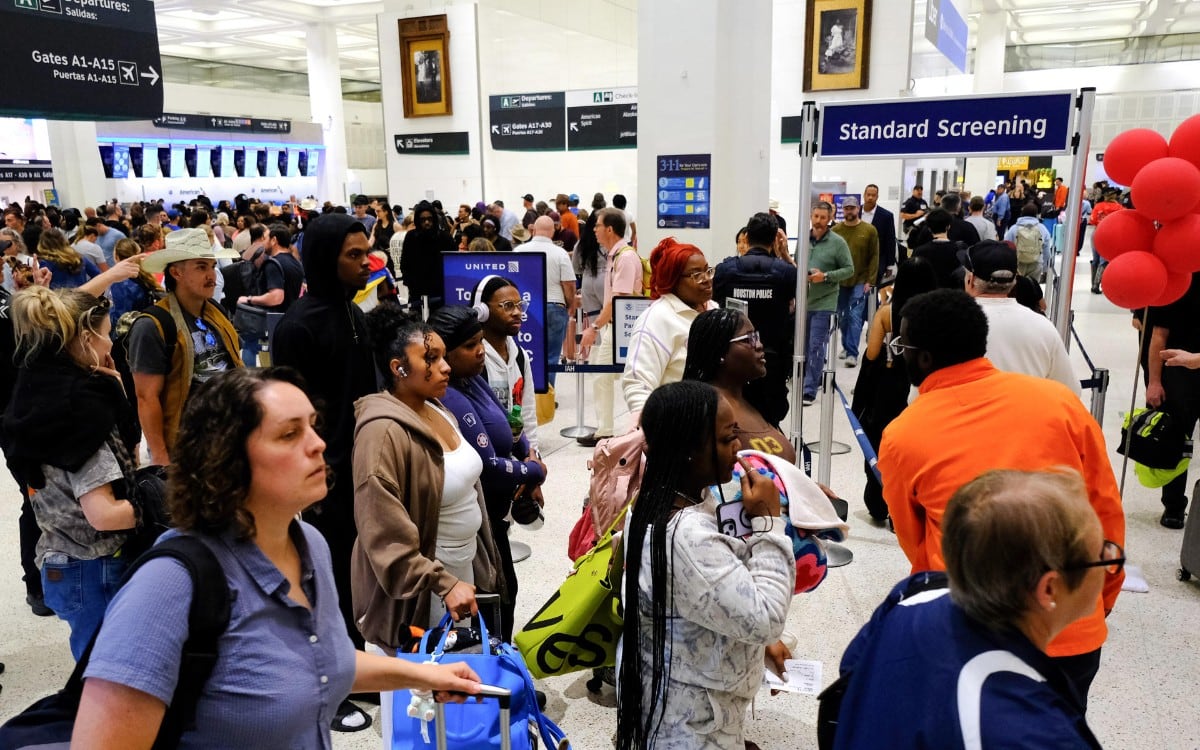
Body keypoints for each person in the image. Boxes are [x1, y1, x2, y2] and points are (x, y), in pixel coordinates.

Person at [70, 368, 481, 747]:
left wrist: (423, 674)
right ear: (225, 460)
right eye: (289, 434)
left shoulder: (309, 545)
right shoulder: (169, 586)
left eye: (313, 427)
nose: (319, 444)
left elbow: (319, 664)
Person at [878, 289, 1124, 703]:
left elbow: (915, 543)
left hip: (971, 630)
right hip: (1069, 629)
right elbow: (1105, 511)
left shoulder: (904, 434)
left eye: (902, 345)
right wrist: (1096, 599)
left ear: (922, 358)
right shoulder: (1060, 403)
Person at [832, 469, 1112, 749]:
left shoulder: (914, 594)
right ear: (1049, 589)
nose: (1111, 564)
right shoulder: (1042, 736)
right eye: (1101, 555)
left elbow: (850, 676)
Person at [616, 380, 794, 750]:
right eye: (728, 438)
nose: (739, 447)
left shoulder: (660, 500)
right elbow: (765, 617)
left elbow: (706, 599)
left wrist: (761, 648)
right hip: (691, 728)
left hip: (681, 705)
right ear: (690, 450)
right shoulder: (687, 537)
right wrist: (769, 523)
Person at [269, 212, 377, 729]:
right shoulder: (298, 326)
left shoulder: (355, 315)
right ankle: (325, 690)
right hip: (321, 479)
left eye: (366, 253)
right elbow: (288, 417)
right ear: (324, 258)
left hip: (362, 469)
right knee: (322, 582)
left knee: (355, 577)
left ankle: (353, 669)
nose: (366, 263)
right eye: (353, 255)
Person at [352, 305, 505, 646]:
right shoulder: (382, 434)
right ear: (398, 368)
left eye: (443, 356)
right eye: (431, 359)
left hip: (459, 577)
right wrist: (442, 582)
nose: (445, 367)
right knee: (421, 693)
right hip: (421, 593)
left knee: (455, 688)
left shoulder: (436, 407)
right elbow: (383, 534)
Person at [0, 287, 138, 659]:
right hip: (95, 565)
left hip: (62, 556)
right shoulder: (80, 410)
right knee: (106, 681)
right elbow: (104, 514)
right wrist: (167, 504)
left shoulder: (35, 392)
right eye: (107, 332)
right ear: (86, 338)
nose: (112, 341)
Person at [428, 306, 544, 640]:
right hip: (479, 521)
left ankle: (501, 662)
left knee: (505, 593)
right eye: (469, 346)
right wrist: (532, 470)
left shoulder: (473, 380)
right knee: (491, 600)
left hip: (497, 515)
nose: (480, 351)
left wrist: (527, 453)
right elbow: (489, 465)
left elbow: (507, 423)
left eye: (480, 342)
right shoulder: (450, 396)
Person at [128, 228, 242, 467]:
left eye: (212, 266)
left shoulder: (215, 312)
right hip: (186, 445)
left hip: (228, 435)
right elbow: (146, 397)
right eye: (201, 267)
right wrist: (160, 457)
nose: (212, 275)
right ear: (176, 272)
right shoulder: (153, 325)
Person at [850, 258, 937, 523]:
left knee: (884, 443)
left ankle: (880, 501)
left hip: (890, 385)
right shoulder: (937, 312)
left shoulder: (887, 312)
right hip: (926, 386)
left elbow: (873, 351)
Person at [712, 212, 797, 427]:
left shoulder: (724, 270)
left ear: (747, 237)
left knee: (733, 418)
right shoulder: (786, 272)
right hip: (772, 359)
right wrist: (786, 257)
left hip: (732, 357)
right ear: (774, 239)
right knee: (770, 420)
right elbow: (801, 300)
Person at [961, 241, 1077, 394]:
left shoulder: (947, 324)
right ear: (1014, 280)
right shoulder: (1042, 326)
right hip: (1027, 415)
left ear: (970, 279)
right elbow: (1070, 390)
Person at [621, 237, 718, 419]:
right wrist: (652, 429)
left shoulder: (713, 309)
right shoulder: (656, 320)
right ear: (673, 281)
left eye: (708, 271)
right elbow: (638, 384)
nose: (707, 280)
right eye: (696, 275)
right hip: (677, 426)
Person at [684, 308, 796, 464]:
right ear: (719, 352)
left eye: (756, 337)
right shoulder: (710, 410)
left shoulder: (752, 400)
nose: (759, 345)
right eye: (747, 339)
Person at [578, 207, 641, 445]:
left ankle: (607, 430)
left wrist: (593, 327)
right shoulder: (614, 255)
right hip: (610, 327)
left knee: (604, 376)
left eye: (597, 226)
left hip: (618, 329)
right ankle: (605, 427)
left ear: (610, 229)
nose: (593, 230)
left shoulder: (624, 257)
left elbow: (619, 301)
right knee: (600, 375)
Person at [1145, 270, 1200, 529]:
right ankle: (1174, 506)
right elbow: (1158, 336)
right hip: (1178, 371)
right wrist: (1154, 381)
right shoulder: (1176, 280)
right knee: (1177, 439)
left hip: (1186, 365)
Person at [476, 275, 540, 455]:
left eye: (520, 305)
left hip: (519, 456)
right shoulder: (475, 358)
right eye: (508, 306)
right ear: (483, 311)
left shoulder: (520, 356)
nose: (517, 312)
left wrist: (533, 454)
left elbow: (528, 413)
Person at [802, 201, 854, 405]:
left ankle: (809, 388)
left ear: (830, 218)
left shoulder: (838, 242)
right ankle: (811, 378)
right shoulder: (804, 239)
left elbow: (849, 269)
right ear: (811, 216)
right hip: (804, 300)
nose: (819, 221)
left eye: (823, 218)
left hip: (826, 301)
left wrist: (825, 276)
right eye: (816, 216)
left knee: (816, 345)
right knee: (804, 345)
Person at [518, 216, 576, 388]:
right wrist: (569, 305)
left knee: (525, 353)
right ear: (553, 231)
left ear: (533, 230)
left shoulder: (519, 250)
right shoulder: (560, 254)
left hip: (526, 307)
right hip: (554, 306)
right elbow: (568, 285)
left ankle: (524, 393)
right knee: (551, 355)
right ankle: (547, 396)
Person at [832, 195, 879, 368]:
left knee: (854, 316)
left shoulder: (869, 230)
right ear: (842, 210)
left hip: (861, 280)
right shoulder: (836, 230)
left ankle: (852, 352)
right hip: (840, 281)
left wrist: (871, 280)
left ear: (858, 209)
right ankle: (846, 346)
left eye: (852, 208)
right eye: (846, 208)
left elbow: (874, 256)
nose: (849, 211)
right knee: (842, 317)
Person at [37, 228, 101, 290]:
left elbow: (42, 286)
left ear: (42, 244)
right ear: (63, 241)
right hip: (80, 297)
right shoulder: (79, 258)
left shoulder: (46, 263)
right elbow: (97, 275)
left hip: (58, 298)